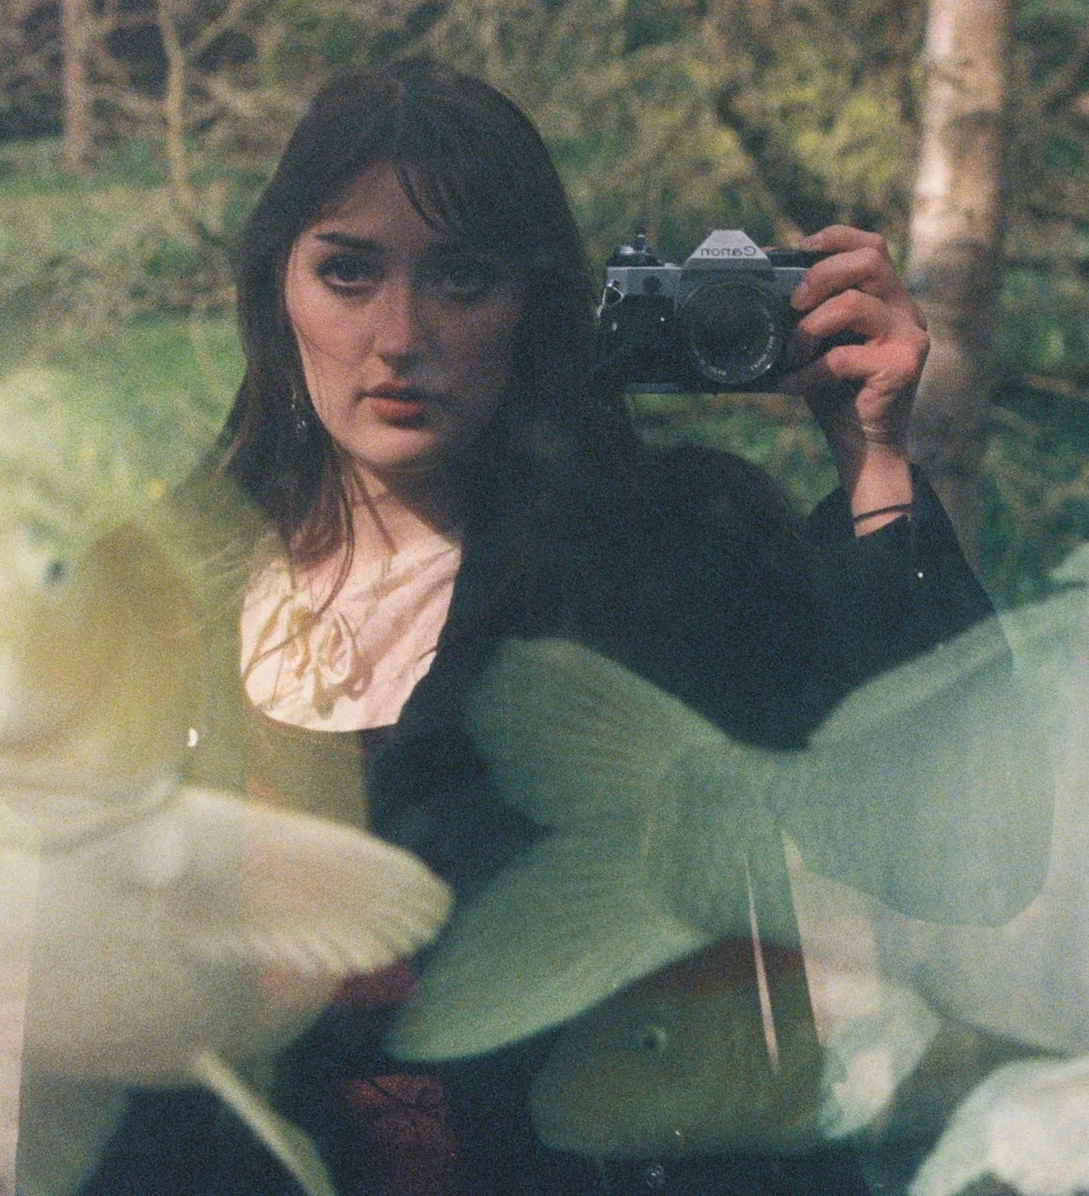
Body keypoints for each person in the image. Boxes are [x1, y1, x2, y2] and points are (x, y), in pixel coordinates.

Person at [82, 59, 994, 1196]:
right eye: (349, 273)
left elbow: (972, 843)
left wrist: (874, 459)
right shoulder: (157, 590)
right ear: (277, 287)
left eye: (462, 279)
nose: (399, 333)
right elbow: (75, 1041)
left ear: (536, 304)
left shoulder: (673, 559)